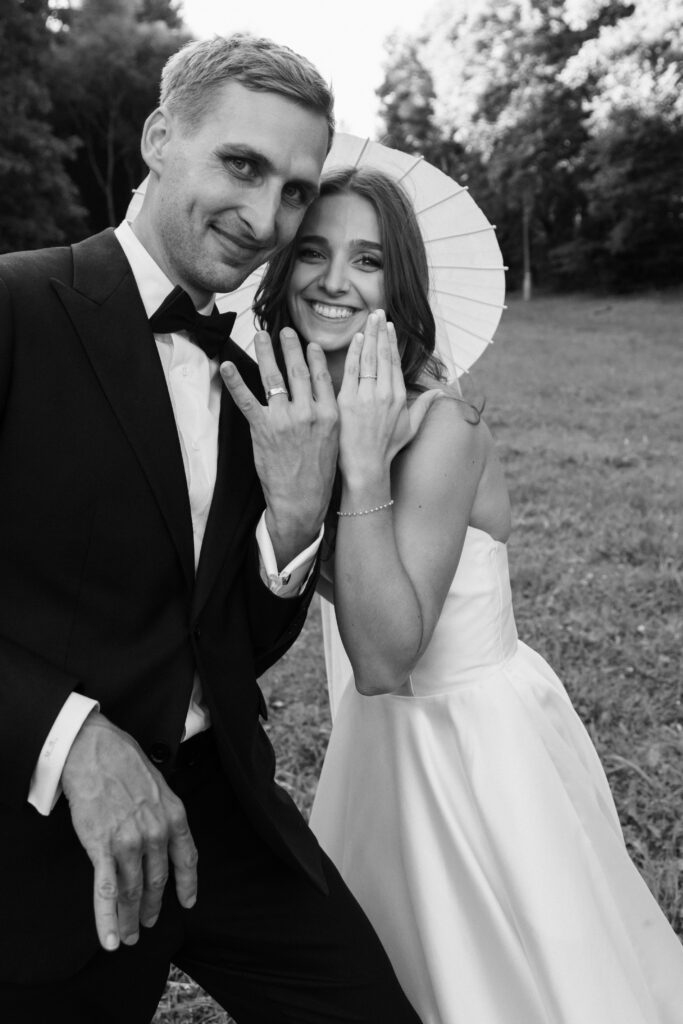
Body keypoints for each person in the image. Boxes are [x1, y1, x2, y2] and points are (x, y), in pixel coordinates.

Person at [0, 36, 423, 1024]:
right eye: (241, 164)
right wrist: (72, 738)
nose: (264, 216)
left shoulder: (261, 367)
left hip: (227, 810)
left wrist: (292, 517)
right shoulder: (15, 306)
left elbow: (233, 638)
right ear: (158, 138)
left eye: (291, 189)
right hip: (39, 820)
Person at [250, 164, 683, 1024]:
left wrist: (364, 464)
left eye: (367, 260)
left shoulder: (438, 425)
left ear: (396, 286)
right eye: (312, 252)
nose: (334, 280)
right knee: (394, 971)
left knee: (520, 977)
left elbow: (384, 658)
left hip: (474, 746)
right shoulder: (301, 416)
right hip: (377, 747)